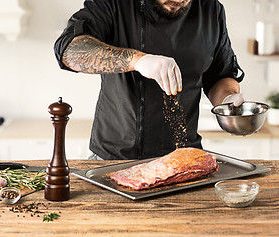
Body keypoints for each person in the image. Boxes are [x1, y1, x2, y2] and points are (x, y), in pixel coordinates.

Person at [54, 0, 245, 160]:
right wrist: (137, 61)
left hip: (184, 156)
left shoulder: (211, 10)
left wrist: (228, 100)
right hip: (114, 158)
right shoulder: (115, 4)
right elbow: (68, 50)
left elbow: (220, 76)